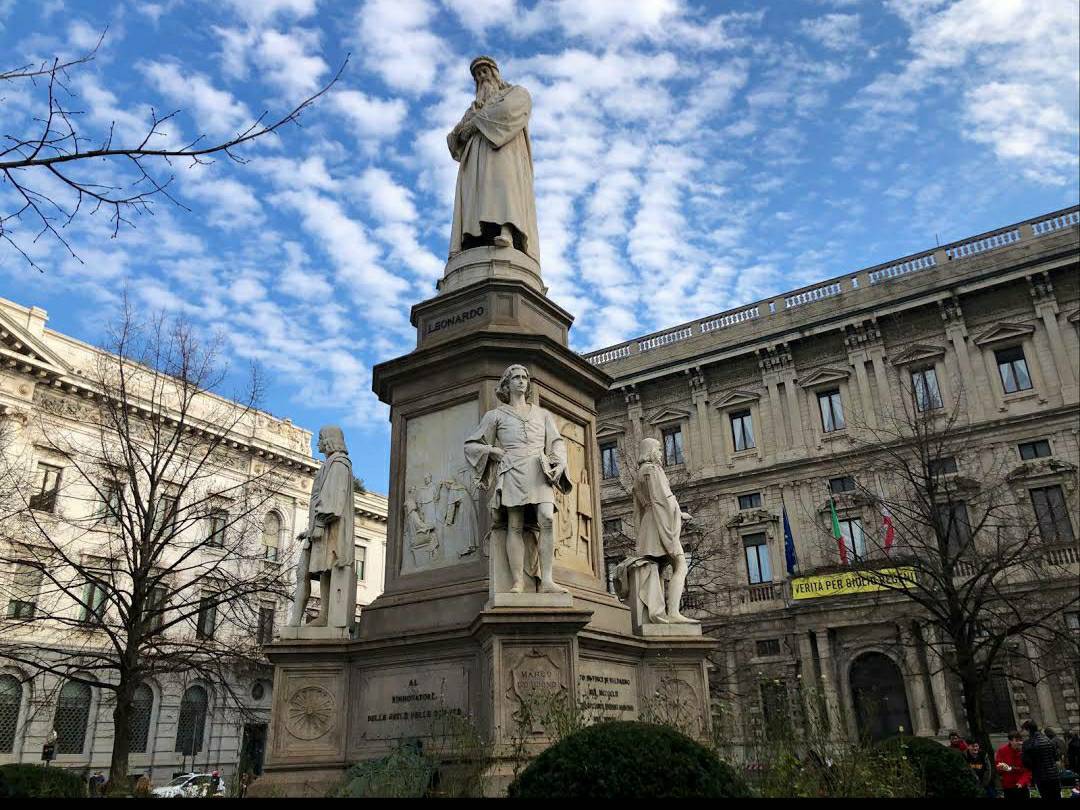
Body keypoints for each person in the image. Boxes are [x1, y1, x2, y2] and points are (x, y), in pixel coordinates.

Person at [464, 364, 571, 593]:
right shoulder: (495, 416)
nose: (522, 381)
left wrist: (560, 461)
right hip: (512, 468)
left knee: (547, 518)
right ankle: (518, 581)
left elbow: (556, 442)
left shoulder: (543, 414)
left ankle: (548, 580)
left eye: (525, 377)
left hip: (538, 468)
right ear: (507, 384)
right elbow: (472, 445)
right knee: (515, 524)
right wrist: (493, 451)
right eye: (516, 378)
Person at [446, 56, 540, 261]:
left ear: (494, 73)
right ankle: (473, 240)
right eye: (477, 76)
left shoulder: (515, 93)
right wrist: (463, 131)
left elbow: (508, 112)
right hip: (475, 162)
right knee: (476, 200)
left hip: (503, 153)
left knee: (504, 191)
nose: (481, 77)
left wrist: (476, 123)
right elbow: (455, 137)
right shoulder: (473, 108)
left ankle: (507, 232)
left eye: (484, 72)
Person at [612, 437, 695, 625]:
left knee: (656, 569)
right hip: (659, 522)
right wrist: (674, 524)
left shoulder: (640, 473)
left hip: (649, 524)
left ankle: (658, 611)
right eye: (658, 449)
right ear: (650, 451)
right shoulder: (653, 470)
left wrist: (678, 513)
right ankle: (673, 612)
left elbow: (647, 501)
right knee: (680, 565)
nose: (660, 453)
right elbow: (662, 500)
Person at [287, 426, 356, 629]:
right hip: (319, 530)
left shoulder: (339, 464)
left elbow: (333, 501)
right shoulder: (331, 464)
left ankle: (324, 615)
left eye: (320, 439)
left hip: (326, 528)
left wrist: (317, 524)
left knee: (327, 569)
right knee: (311, 572)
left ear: (329, 440)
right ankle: (314, 617)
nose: (318, 444)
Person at [1023, 720, 1062, 800]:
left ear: (1028, 730)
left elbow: (1026, 762)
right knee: (1057, 796)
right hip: (1054, 775)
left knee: (1046, 796)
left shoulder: (1028, 743)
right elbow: (1055, 757)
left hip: (1040, 777)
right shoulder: (1049, 741)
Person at [998, 731, 1034, 800]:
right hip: (1008, 786)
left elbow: (1028, 770)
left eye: (1020, 740)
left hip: (1022, 786)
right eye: (1016, 741)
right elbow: (998, 766)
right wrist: (1001, 767)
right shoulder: (1002, 751)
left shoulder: (1024, 751)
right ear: (1010, 741)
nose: (1019, 743)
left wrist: (1022, 782)